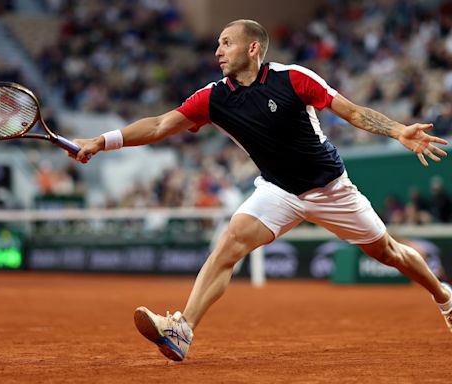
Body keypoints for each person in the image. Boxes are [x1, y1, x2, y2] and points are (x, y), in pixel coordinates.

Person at [70, 19, 452, 362]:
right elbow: (157, 126)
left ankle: (443, 297)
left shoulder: (293, 78)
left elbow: (351, 112)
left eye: (226, 43)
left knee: (390, 253)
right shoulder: (213, 96)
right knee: (229, 244)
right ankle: (182, 329)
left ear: (252, 47)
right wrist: (103, 141)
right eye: (217, 44)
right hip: (278, 191)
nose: (217, 51)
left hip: (331, 190)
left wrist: (399, 130)